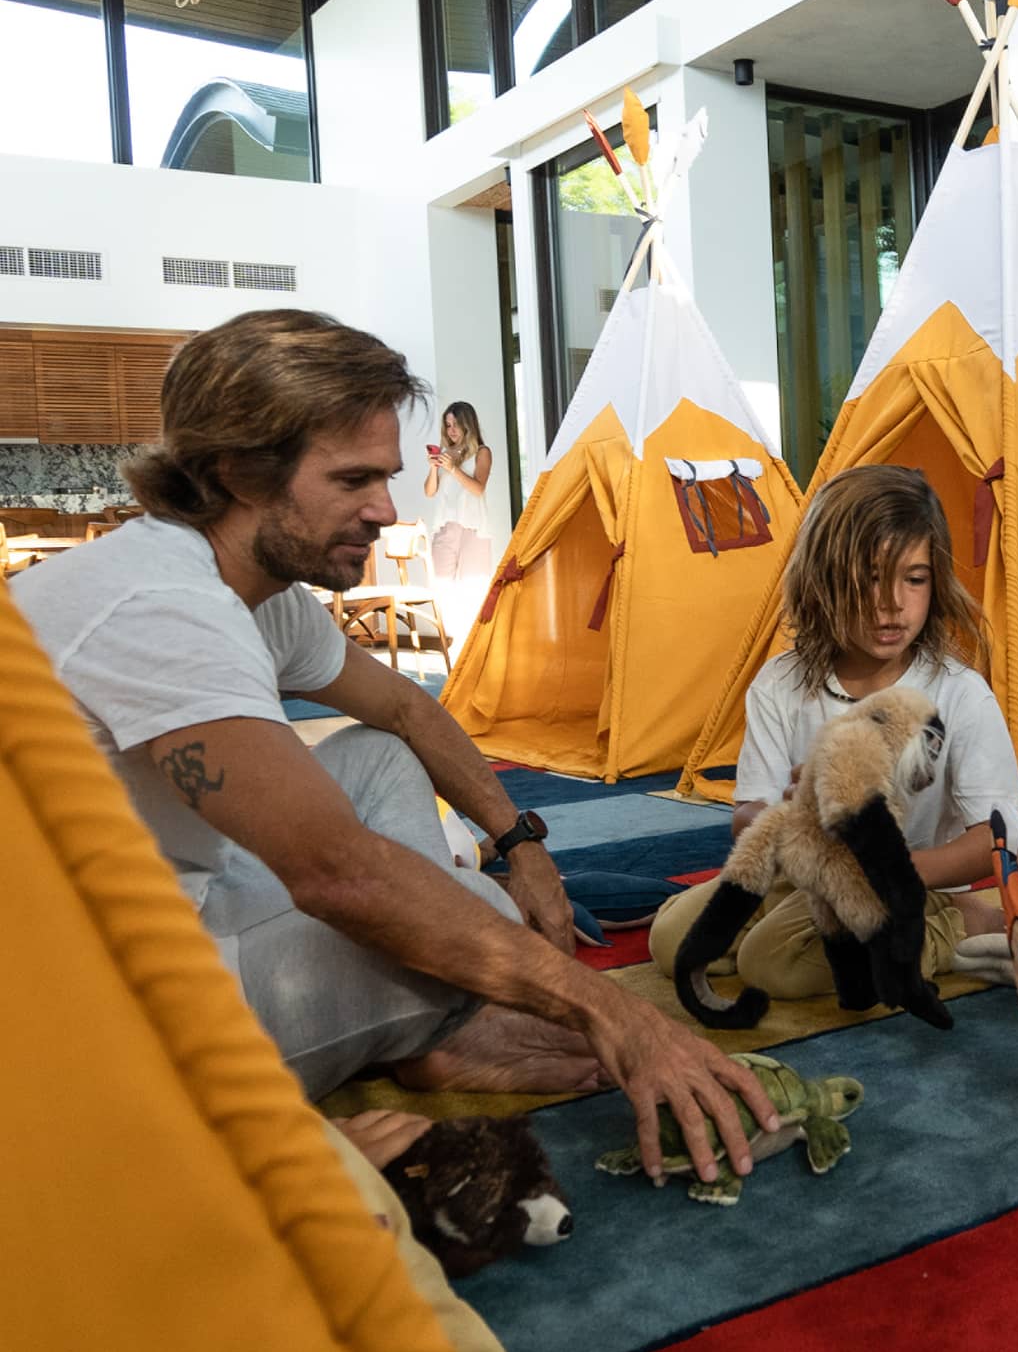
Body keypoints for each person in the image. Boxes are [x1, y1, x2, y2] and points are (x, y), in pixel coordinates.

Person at [12, 308, 777, 1187]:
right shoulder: (164, 609)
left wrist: (521, 846)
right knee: (465, 921)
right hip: (70, 1018)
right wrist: (620, 1017)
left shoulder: (251, 589)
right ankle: (436, 1021)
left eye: (388, 476)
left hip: (143, 911)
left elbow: (410, 716)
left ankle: (433, 1019)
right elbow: (339, 876)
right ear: (235, 471)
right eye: (353, 481)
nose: (385, 509)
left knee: (404, 802)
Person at [649, 463, 1018, 998]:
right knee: (672, 942)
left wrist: (895, 870)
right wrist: (803, 815)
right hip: (805, 873)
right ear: (822, 579)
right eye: (870, 577)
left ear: (935, 583)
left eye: (914, 579)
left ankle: (957, 925)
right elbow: (747, 815)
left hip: (907, 883)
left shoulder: (959, 693)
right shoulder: (780, 682)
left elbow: (997, 835)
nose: (892, 602)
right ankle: (797, 922)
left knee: (773, 966)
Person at [423, 400, 494, 585]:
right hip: (446, 527)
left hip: (473, 528)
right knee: (441, 589)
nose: (451, 430)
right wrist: (433, 467)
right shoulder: (445, 454)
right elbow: (430, 492)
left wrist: (453, 469)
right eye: (448, 425)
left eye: (456, 424)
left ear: (467, 425)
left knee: (472, 590)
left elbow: (478, 489)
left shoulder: (482, 452)